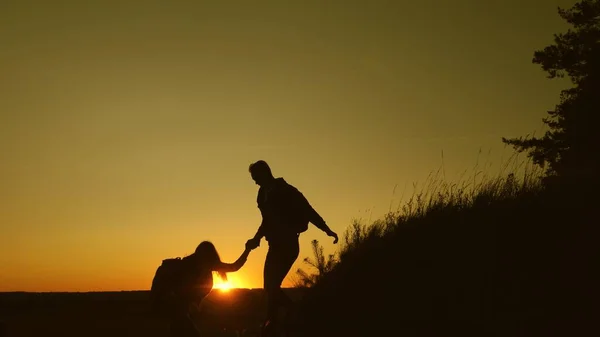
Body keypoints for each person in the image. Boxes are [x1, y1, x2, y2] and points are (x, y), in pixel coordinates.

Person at [245, 160, 338, 336]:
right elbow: (267, 221)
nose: (255, 181)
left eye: (256, 177)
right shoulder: (262, 194)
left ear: (265, 173)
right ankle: (273, 322)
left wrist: (327, 230)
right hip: (274, 245)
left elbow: (308, 210)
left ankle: (293, 314)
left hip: (288, 245)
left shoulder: (287, 191)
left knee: (271, 288)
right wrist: (256, 238)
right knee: (270, 288)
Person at [167, 241, 254, 337]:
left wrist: (247, 250)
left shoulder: (203, 265)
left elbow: (234, 267)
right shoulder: (190, 267)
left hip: (183, 312)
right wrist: (247, 250)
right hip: (180, 311)